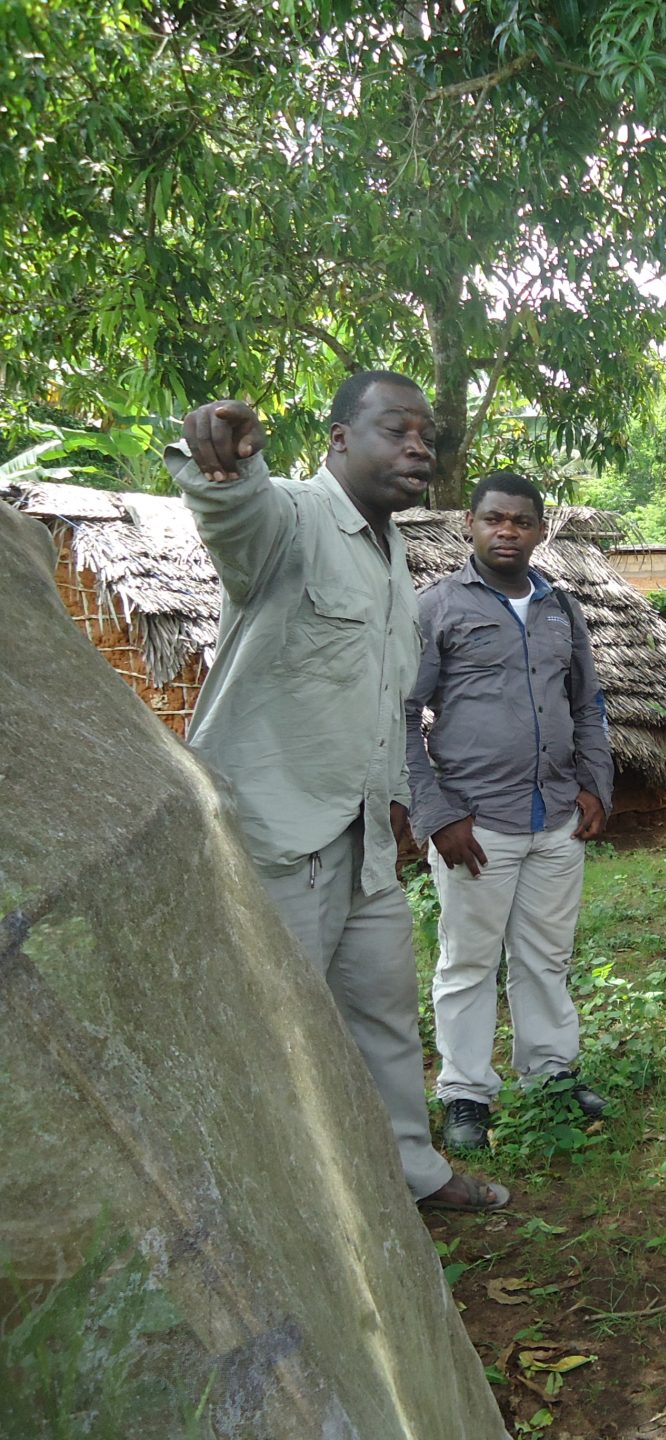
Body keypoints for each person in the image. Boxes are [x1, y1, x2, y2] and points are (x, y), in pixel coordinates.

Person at [167, 373, 507, 1211]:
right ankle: (268, 1214)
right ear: (338, 439)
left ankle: (411, 1176)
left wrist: (393, 796)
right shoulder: (290, 517)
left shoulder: (392, 550)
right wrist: (224, 462)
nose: (419, 447)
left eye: (427, 434)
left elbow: (383, 697)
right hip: (280, 840)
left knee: (385, 1016)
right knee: (273, 1035)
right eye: (397, 429)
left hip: (362, 842)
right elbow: (236, 520)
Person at [405, 470, 616, 1151]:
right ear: (469, 523)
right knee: (467, 962)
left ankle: (550, 1073)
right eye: (493, 518)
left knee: (546, 956)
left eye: (520, 521)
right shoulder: (436, 607)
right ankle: (466, 1093)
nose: (506, 531)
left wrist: (596, 787)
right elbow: (403, 714)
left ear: (540, 530)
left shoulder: (562, 608)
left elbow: (586, 706)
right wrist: (436, 813)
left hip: (555, 815)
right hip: (476, 823)